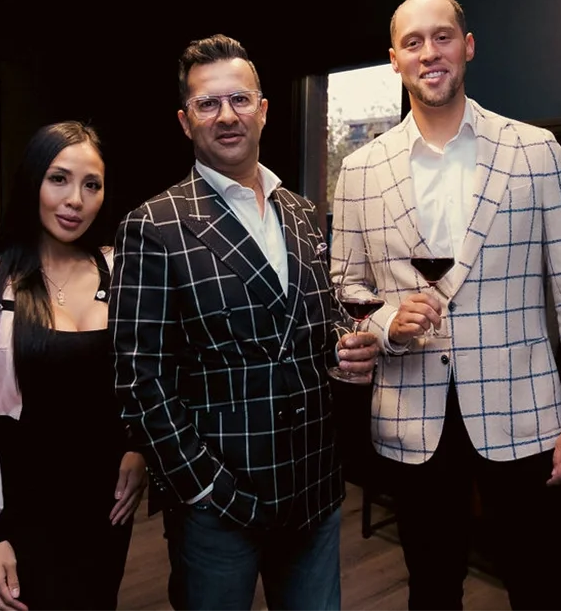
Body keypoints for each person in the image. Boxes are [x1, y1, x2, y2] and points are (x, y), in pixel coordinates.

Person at [330, 0, 561, 610]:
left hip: (526, 414)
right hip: (412, 416)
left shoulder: (535, 151)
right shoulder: (359, 170)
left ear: (468, 46)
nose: (429, 53)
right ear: (394, 60)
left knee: (542, 586)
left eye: (443, 37)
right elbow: (345, 292)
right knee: (432, 589)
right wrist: (387, 323)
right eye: (413, 42)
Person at [108, 34, 379, 611]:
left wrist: (343, 345)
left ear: (264, 110)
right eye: (207, 103)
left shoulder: (301, 211)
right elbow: (139, 380)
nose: (226, 115)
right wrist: (202, 485)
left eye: (239, 99)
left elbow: (318, 317)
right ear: (185, 121)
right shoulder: (154, 225)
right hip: (219, 502)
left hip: (312, 484)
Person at [0, 121, 147, 611]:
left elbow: (150, 375)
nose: (75, 199)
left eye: (92, 185)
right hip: (26, 503)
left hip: (106, 504)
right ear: (32, 181)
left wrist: (140, 448)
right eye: (59, 179)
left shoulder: (124, 272)